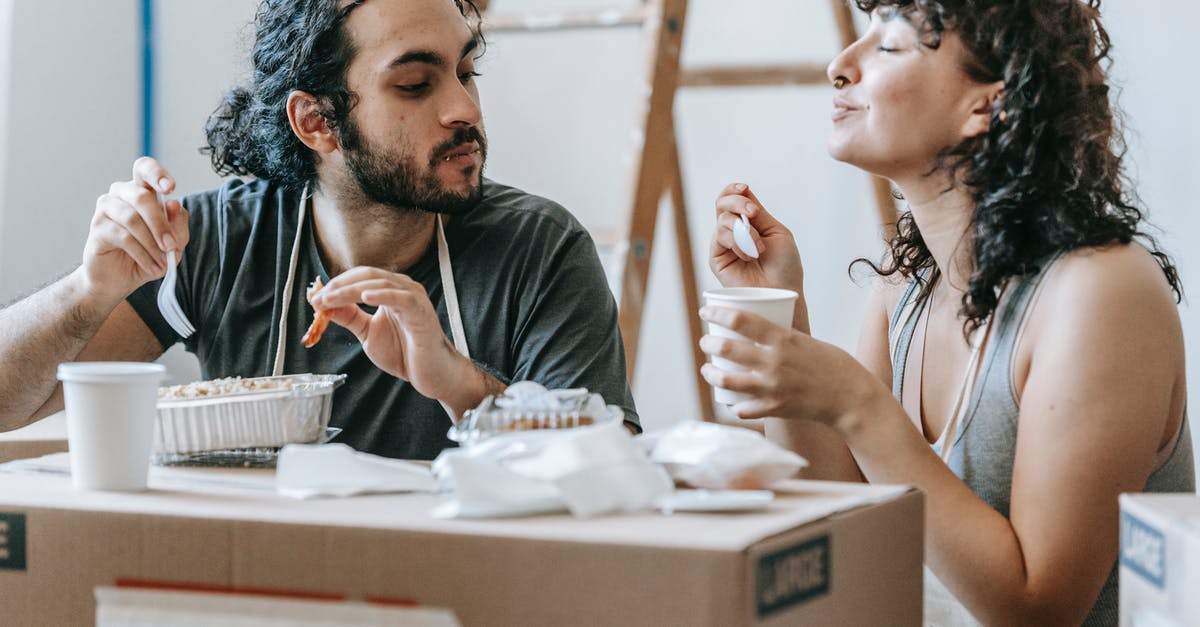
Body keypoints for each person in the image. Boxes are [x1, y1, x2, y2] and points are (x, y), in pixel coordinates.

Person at [700, 1, 1193, 625]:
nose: (840, 66)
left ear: (985, 104)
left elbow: (1039, 611)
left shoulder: (1100, 293)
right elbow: (851, 540)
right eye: (862, 34)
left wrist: (858, 404)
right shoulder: (904, 294)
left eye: (889, 46)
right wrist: (783, 319)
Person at [0, 0, 638, 460]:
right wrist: (89, 290)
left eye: (465, 72)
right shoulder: (219, 240)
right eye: (415, 85)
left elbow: (611, 469)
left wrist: (458, 382)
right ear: (316, 122)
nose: (464, 109)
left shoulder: (541, 249)